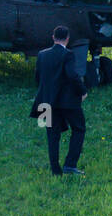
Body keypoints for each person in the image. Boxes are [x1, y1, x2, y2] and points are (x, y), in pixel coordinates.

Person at [31, 25, 88, 176]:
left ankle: (55, 169)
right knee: (79, 128)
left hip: (45, 101)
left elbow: (37, 77)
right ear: (67, 39)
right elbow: (72, 75)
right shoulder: (68, 55)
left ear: (53, 37)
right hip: (67, 101)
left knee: (52, 134)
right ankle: (69, 164)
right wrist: (82, 91)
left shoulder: (42, 55)